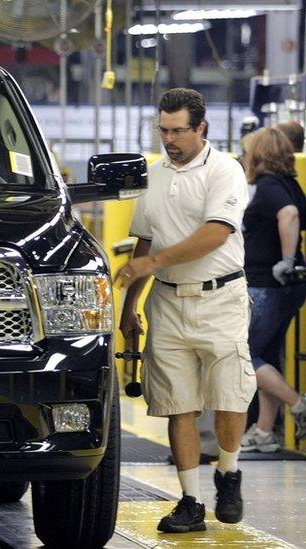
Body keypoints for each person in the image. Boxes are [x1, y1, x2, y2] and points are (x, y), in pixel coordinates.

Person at [118, 88, 252, 534]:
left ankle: (228, 472)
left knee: (230, 395)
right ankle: (190, 501)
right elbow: (144, 241)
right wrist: (130, 305)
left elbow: (216, 233)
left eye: (178, 131)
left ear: (201, 129)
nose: (169, 139)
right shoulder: (153, 176)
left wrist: (151, 264)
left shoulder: (225, 171)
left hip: (221, 299)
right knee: (180, 403)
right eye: (163, 130)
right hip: (168, 301)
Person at [239, 127, 306, 452]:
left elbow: (289, 216)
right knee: (266, 356)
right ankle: (264, 432)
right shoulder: (290, 184)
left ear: (258, 154)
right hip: (287, 288)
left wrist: (287, 259)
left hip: (268, 283)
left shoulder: (267, 187)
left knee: (241, 354)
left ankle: (298, 403)